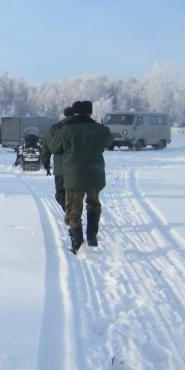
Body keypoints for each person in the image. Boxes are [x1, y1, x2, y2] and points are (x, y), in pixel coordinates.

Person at [49, 100, 113, 254]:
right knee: (94, 203)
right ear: (90, 112)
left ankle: (77, 242)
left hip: (74, 175)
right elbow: (109, 142)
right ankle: (92, 235)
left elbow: (54, 148)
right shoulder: (100, 129)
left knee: (74, 209)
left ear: (74, 112)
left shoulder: (66, 130)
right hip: (95, 174)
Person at [45, 107, 74, 211]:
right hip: (76, 168)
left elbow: (47, 146)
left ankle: (68, 211)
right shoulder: (79, 127)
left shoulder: (55, 128)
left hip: (60, 168)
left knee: (60, 193)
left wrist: (46, 163)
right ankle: (71, 213)